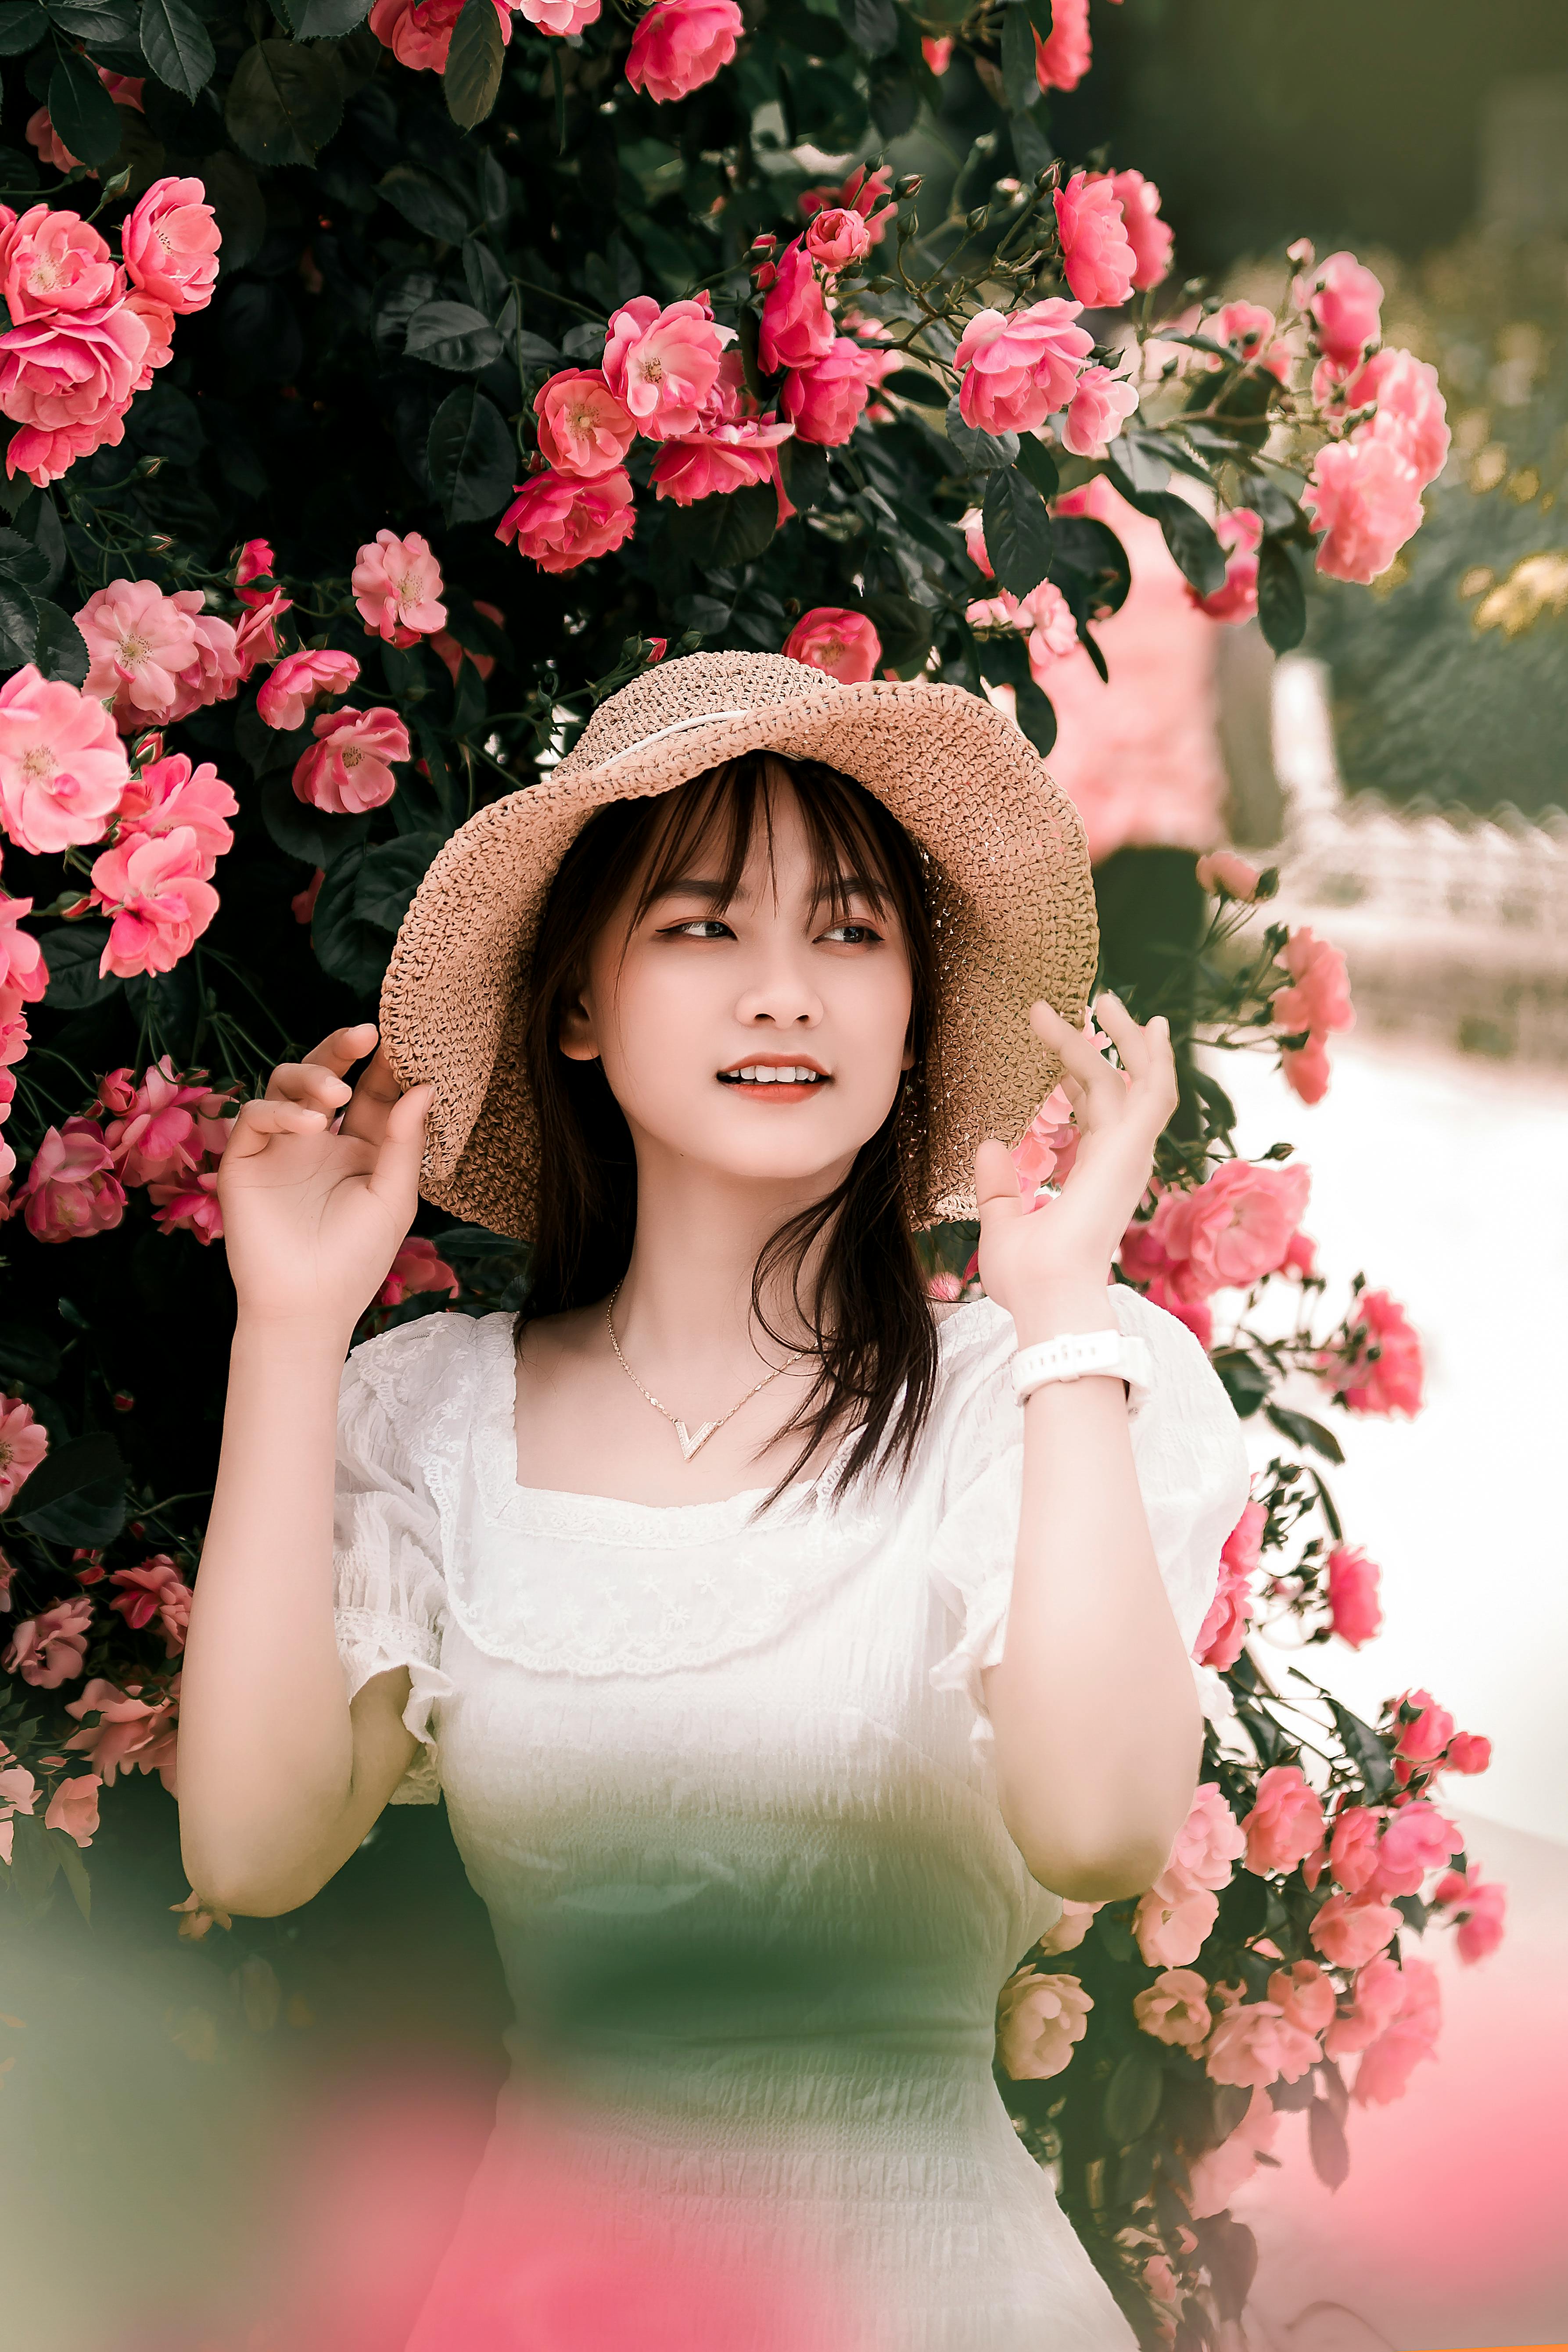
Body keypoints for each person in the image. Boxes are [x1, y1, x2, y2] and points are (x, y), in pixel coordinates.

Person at [177, 652, 1249, 2350]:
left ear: (915, 1008)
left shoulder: (1027, 1393)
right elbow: (249, 1846)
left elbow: (1105, 1829)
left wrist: (1059, 1309)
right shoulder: (441, 1416)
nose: (786, 993)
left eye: (848, 932)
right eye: (700, 927)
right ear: (581, 1003)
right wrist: (291, 1329)